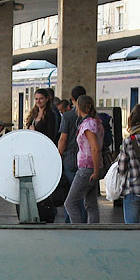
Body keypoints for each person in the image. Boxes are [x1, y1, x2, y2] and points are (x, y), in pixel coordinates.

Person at [63, 95, 104, 223]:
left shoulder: (88, 125)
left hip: (87, 168)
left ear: (78, 107)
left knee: (70, 203)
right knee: (90, 205)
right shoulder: (97, 122)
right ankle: (93, 231)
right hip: (93, 167)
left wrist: (96, 172)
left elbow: (95, 148)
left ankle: (77, 231)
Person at [58, 85, 87, 221]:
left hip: (70, 159)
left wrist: (59, 156)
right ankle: (84, 223)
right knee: (84, 196)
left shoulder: (68, 116)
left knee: (71, 196)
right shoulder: (92, 117)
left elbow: (63, 138)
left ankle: (71, 223)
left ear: (72, 99)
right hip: (87, 161)